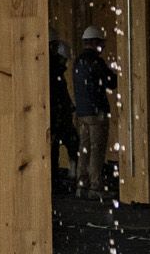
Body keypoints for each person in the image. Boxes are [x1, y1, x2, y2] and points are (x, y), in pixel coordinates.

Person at [71, 26, 116, 201]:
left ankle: (81, 185)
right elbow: (111, 83)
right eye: (101, 43)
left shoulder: (78, 62)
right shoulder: (96, 62)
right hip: (97, 113)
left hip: (82, 113)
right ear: (96, 42)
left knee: (84, 149)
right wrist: (113, 73)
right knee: (97, 151)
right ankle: (95, 187)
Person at [48, 36, 78, 190]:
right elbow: (58, 95)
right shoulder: (54, 73)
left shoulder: (52, 71)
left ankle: (55, 180)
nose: (66, 63)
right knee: (66, 145)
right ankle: (56, 180)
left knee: (56, 148)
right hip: (59, 117)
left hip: (58, 117)